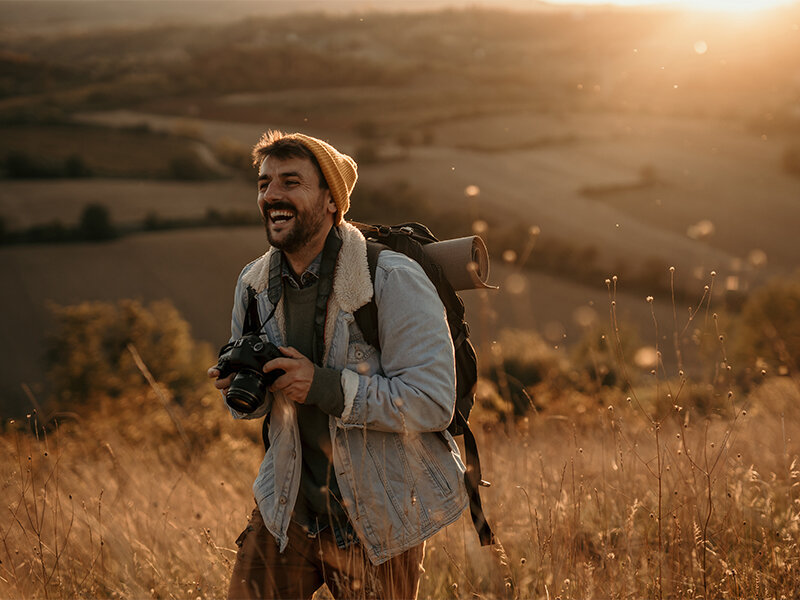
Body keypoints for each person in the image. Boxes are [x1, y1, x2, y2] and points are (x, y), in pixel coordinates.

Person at [208, 131, 468, 599]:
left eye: (291, 182)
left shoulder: (390, 278)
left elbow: (432, 403)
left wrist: (325, 386)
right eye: (265, 183)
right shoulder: (254, 283)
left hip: (377, 520)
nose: (272, 195)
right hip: (289, 508)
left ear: (331, 199)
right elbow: (257, 408)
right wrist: (241, 390)